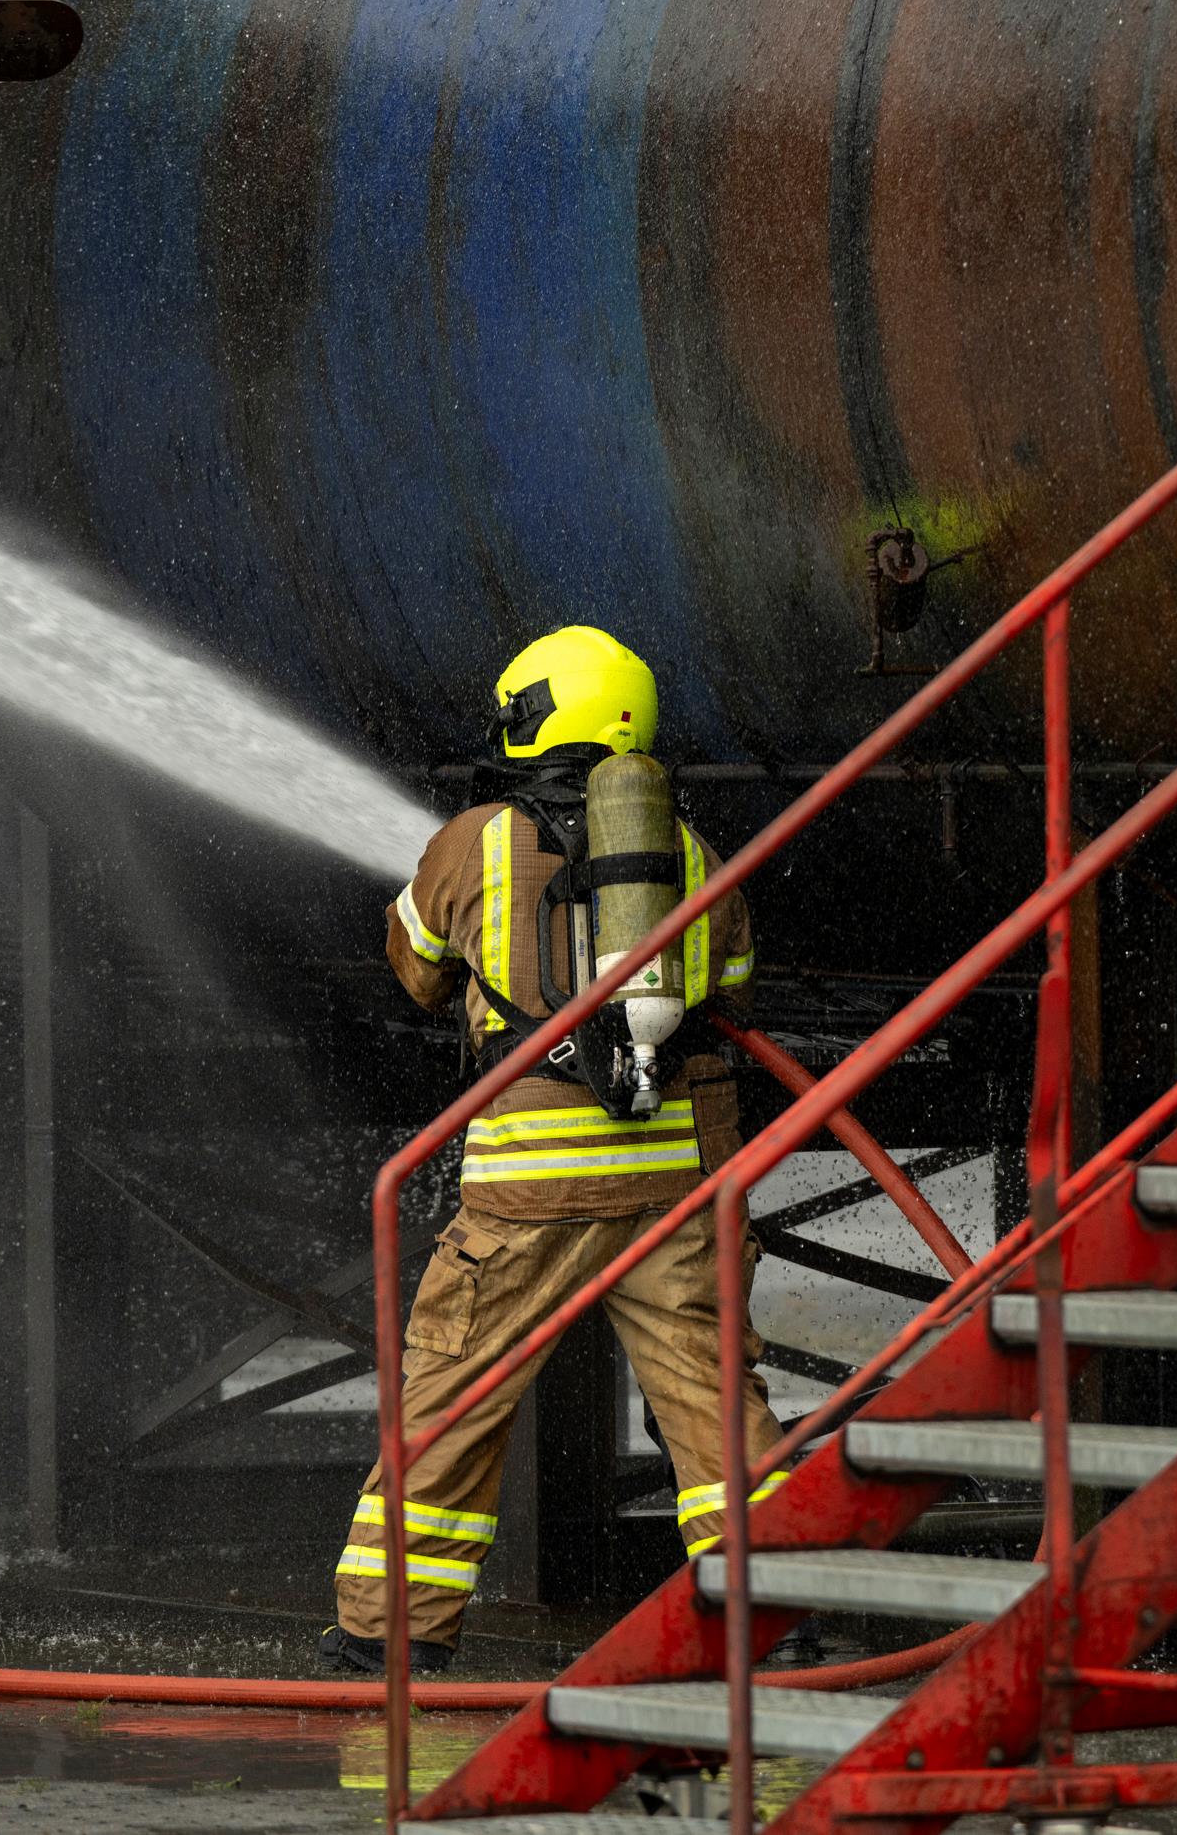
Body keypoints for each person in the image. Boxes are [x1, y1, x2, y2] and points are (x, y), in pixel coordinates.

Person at [317, 625, 781, 1674]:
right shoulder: (690, 852)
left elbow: (417, 970)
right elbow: (737, 982)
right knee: (709, 1396)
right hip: (672, 1182)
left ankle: (388, 1633)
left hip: (526, 1190)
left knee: (451, 1390)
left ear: (537, 717)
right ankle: (777, 1601)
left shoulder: (474, 840)